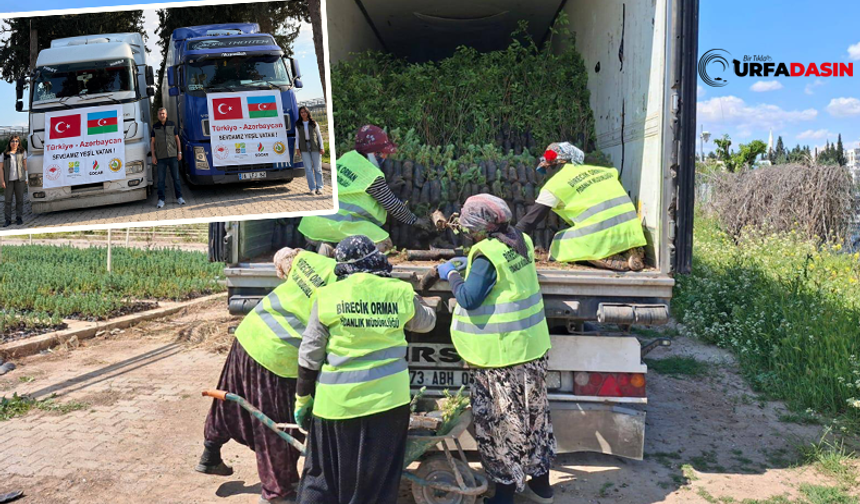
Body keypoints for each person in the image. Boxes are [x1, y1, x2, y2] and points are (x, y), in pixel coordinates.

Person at [294, 235, 437, 504]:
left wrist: (302, 399)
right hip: (388, 406)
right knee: (376, 488)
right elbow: (426, 323)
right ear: (376, 259)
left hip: (336, 407)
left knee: (322, 480)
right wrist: (413, 299)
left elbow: (309, 354)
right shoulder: (399, 291)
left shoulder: (327, 296)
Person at [438, 194, 556, 504]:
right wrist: (473, 266)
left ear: (478, 228)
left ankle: (503, 497)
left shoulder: (487, 254)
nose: (465, 233)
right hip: (531, 349)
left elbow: (468, 298)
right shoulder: (520, 239)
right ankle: (541, 488)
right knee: (535, 421)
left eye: (467, 228)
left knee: (499, 426)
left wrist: (451, 274)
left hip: (501, 359)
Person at [198, 247, 337, 504]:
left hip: (249, 333)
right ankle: (278, 492)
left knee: (230, 400)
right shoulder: (341, 287)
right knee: (276, 425)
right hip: (276, 355)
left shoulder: (311, 260)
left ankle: (210, 452)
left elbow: (283, 257)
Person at [298, 125, 434, 256]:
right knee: (384, 243)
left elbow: (351, 188)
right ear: (374, 153)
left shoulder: (348, 157)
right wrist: (417, 221)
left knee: (338, 231)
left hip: (310, 225)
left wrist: (388, 187)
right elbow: (393, 206)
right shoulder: (371, 175)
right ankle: (337, 253)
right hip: (336, 224)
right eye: (384, 153)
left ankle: (324, 245)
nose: (386, 157)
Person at [515, 142, 647, 271]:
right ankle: (629, 251)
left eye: (547, 167)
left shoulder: (556, 184)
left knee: (560, 241)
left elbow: (530, 221)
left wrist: (510, 238)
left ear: (557, 163)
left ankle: (605, 257)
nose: (546, 173)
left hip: (602, 235)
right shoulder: (603, 171)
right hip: (631, 231)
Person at [151, 107, 185, 209]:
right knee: (161, 180)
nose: (162, 115)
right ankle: (161, 199)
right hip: (161, 157)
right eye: (160, 114)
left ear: (166, 115)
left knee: (176, 178)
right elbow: (152, 143)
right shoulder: (155, 127)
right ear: (158, 116)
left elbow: (177, 139)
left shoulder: (172, 125)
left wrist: (179, 152)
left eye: (163, 113)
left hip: (173, 156)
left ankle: (179, 197)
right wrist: (153, 156)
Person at [295, 106, 325, 195]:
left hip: (315, 146)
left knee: (317, 168)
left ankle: (319, 188)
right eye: (301, 112)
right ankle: (312, 188)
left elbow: (319, 136)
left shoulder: (313, 123)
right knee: (308, 169)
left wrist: (322, 147)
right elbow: (297, 137)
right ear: (300, 114)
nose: (303, 113)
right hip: (304, 147)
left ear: (308, 112)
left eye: (305, 112)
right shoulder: (298, 125)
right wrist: (297, 148)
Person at [1, 135, 27, 227]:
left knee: (19, 200)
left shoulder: (22, 152)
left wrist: (26, 177)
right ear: (9, 142)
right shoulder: (4, 154)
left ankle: (19, 218)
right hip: (8, 181)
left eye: (16, 141)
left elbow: (25, 165)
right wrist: (2, 181)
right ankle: (7, 220)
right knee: (8, 201)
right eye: (12, 141)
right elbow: (1, 168)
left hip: (19, 179)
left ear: (19, 142)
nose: (14, 143)